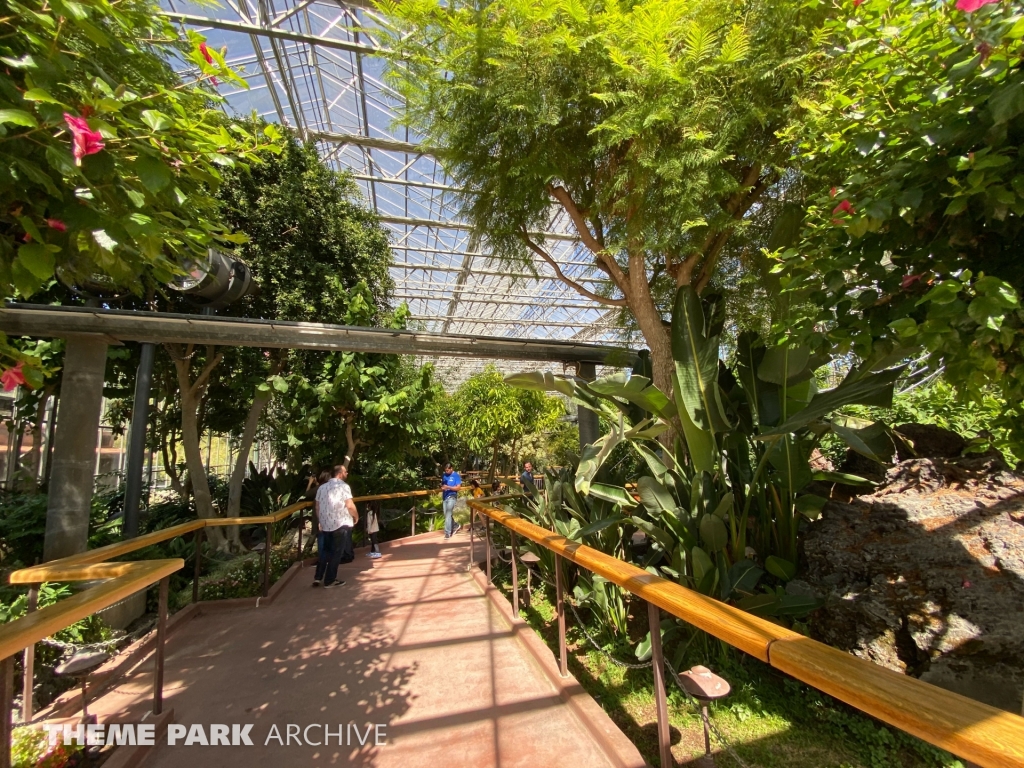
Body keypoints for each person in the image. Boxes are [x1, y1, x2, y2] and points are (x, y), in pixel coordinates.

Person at [312, 464, 358, 588]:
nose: (347, 474)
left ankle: (318, 577)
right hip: (341, 524)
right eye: (345, 472)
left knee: (326, 551)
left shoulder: (322, 488)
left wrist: (321, 520)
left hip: (326, 525)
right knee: (337, 553)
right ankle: (330, 580)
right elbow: (349, 505)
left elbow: (317, 506)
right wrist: (356, 516)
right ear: (340, 473)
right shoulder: (344, 487)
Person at [441, 462, 462, 539]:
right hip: (445, 497)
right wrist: (442, 487)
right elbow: (443, 485)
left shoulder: (456, 475)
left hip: (452, 496)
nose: (446, 472)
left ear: (451, 469)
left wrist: (448, 487)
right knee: (446, 514)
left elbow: (458, 488)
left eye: (447, 470)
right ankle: (456, 525)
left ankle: (447, 533)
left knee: (448, 514)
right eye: (445, 470)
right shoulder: (444, 475)